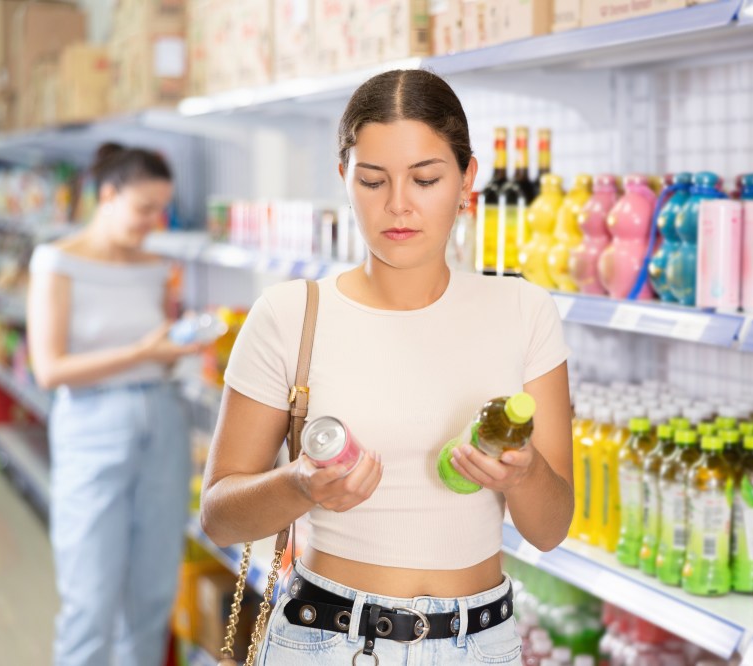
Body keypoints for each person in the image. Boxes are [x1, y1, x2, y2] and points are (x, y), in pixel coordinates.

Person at [200, 69, 574, 665]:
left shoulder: (524, 311)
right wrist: (299, 485)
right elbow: (219, 515)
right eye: (373, 180)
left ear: (466, 178)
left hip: (482, 644)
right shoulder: (290, 314)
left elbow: (551, 530)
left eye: (426, 178)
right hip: (327, 640)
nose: (398, 204)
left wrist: (523, 477)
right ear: (344, 176)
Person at [27, 144, 200, 666]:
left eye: (162, 210)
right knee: (90, 599)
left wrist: (179, 350)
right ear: (107, 194)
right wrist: (142, 352)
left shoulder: (155, 266)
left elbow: (160, 352)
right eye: (144, 208)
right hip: (91, 422)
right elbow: (49, 369)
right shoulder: (57, 261)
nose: (154, 222)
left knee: (151, 595)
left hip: (162, 421)